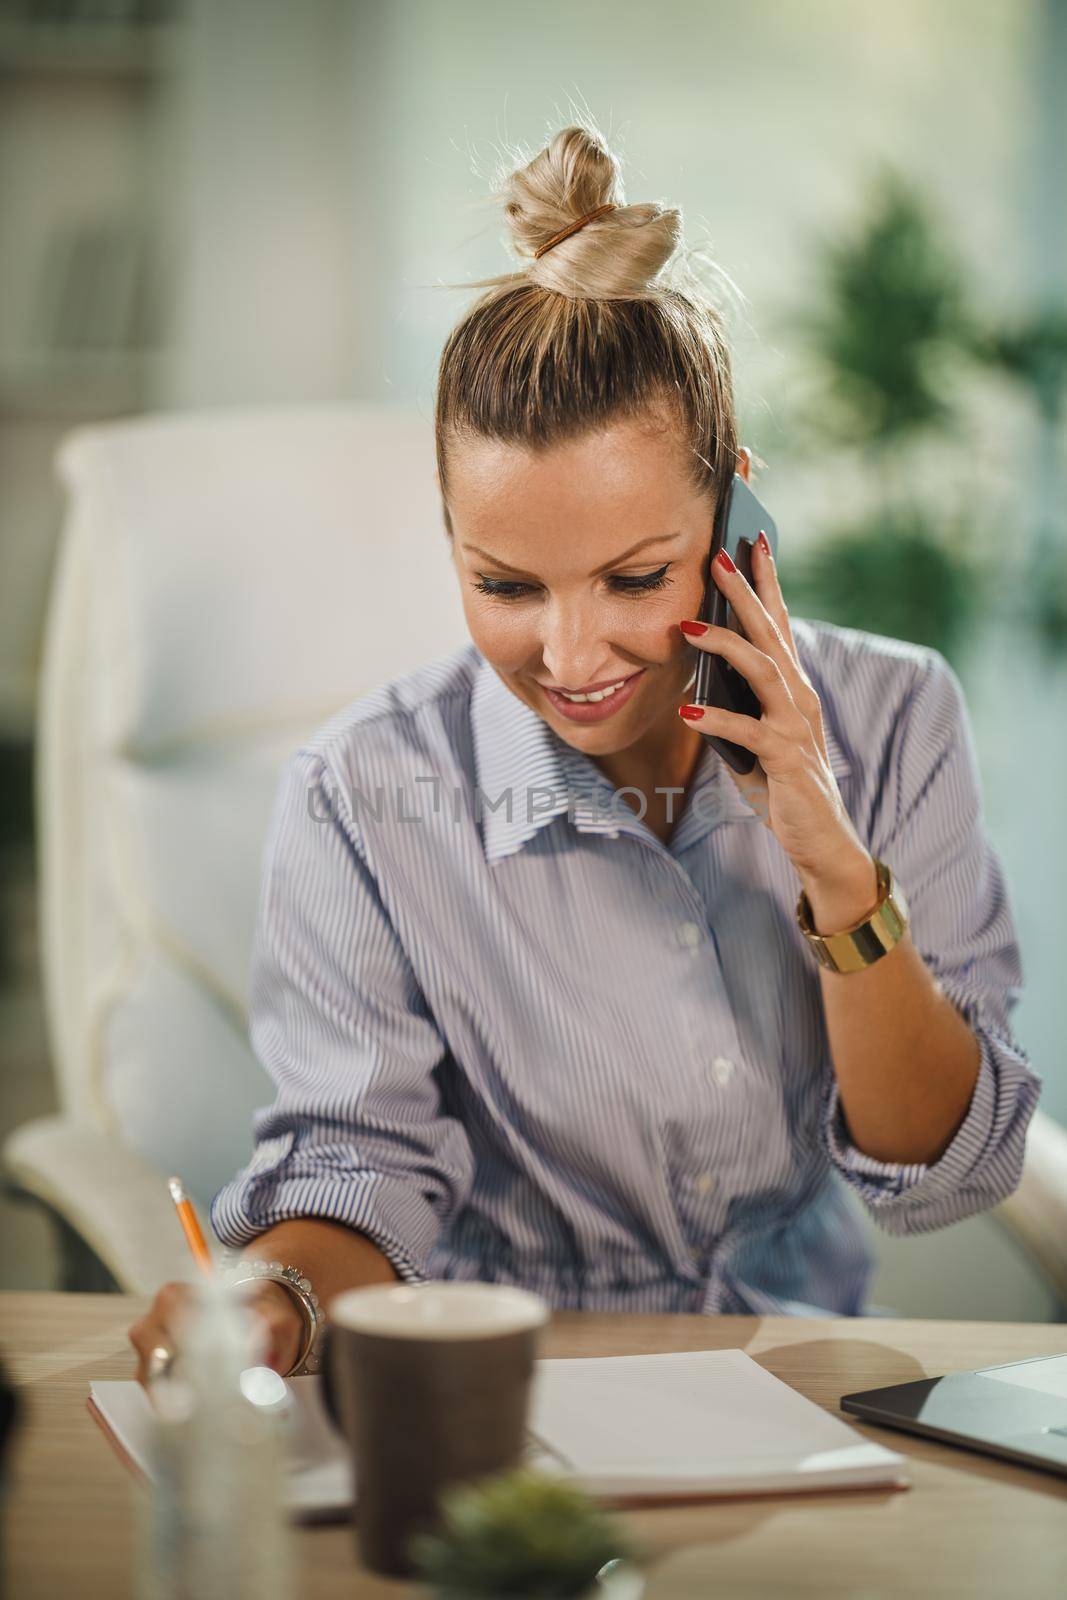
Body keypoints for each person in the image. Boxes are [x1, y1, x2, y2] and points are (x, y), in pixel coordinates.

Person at [129, 122, 1042, 1385]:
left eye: (632, 577)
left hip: (807, 1382)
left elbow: (943, 1168)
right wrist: (278, 1293)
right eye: (505, 584)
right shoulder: (358, 795)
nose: (569, 655)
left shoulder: (896, 717)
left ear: (731, 515)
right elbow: (358, 1164)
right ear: (449, 539)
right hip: (500, 1393)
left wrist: (830, 862)